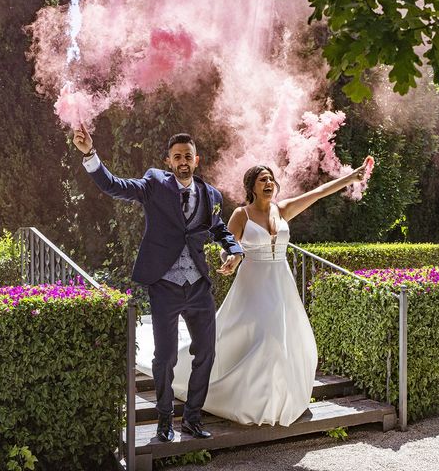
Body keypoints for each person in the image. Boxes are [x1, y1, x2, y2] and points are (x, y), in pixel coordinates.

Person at [137, 161, 368, 426]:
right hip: (253, 285)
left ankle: (277, 399)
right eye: (262, 180)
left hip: (281, 284)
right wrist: (231, 258)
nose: (269, 183)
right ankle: (253, 403)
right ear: (252, 187)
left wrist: (351, 177)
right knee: (265, 339)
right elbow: (228, 246)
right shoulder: (241, 215)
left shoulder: (282, 209)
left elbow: (318, 193)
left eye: (271, 179)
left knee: (289, 342)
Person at [72, 125, 244, 442]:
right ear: (168, 160)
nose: (182, 161)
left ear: (196, 160)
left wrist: (234, 251)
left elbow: (220, 230)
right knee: (165, 357)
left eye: (188, 156)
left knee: (206, 353)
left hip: (199, 287)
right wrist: (90, 155)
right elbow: (114, 186)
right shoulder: (153, 183)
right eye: (177, 156)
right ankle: (165, 420)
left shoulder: (211, 195)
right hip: (164, 286)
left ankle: (192, 419)